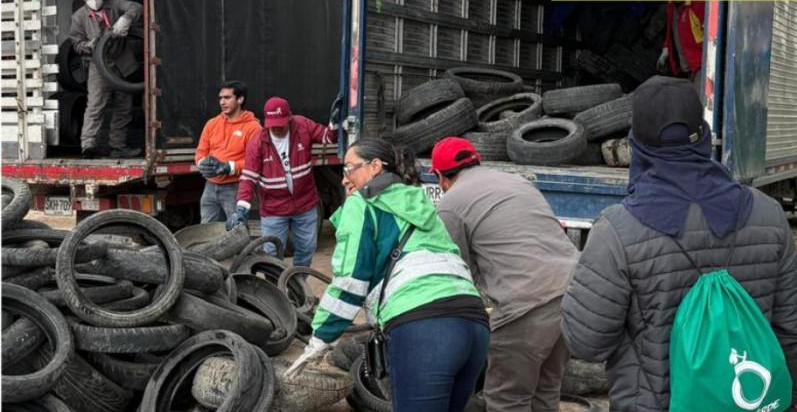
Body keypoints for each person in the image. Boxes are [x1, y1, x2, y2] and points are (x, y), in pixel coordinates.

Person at [561, 76, 797, 412]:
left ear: (637, 145)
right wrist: (788, 396)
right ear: (704, 136)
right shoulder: (768, 214)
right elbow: (795, 328)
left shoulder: (617, 230)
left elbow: (587, 342)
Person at [291, 137, 489, 412]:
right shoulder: (423, 207)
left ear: (374, 167)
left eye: (349, 168)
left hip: (424, 329)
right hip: (475, 325)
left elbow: (350, 282)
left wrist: (321, 338)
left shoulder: (362, 205)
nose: (344, 179)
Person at [431, 136, 579, 412]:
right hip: (575, 293)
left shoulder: (450, 204)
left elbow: (458, 272)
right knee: (546, 389)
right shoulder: (517, 182)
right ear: (477, 161)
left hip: (526, 305)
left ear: (441, 177)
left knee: (507, 399)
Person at [228, 96, 337, 267]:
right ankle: (275, 289)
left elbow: (328, 138)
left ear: (290, 117)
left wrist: (335, 123)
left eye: (281, 123)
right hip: (274, 209)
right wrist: (241, 209)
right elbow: (248, 178)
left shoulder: (302, 125)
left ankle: (298, 287)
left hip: (305, 204)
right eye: (273, 125)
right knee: (271, 254)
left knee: (307, 248)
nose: (277, 128)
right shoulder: (257, 142)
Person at [69, 0, 143, 158]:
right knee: (95, 106)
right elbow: (76, 44)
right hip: (99, 67)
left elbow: (136, 6)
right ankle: (88, 146)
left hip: (122, 63)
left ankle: (118, 147)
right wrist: (89, 45)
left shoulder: (114, 3)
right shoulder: (79, 17)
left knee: (124, 107)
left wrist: (126, 19)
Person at [194, 81, 261, 223]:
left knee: (236, 231)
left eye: (227, 98)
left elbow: (255, 162)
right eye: (220, 98)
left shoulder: (253, 128)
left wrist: (228, 167)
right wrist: (202, 163)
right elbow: (201, 151)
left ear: (240, 99)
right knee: (205, 232)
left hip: (235, 187)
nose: (222, 102)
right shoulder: (212, 124)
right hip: (210, 187)